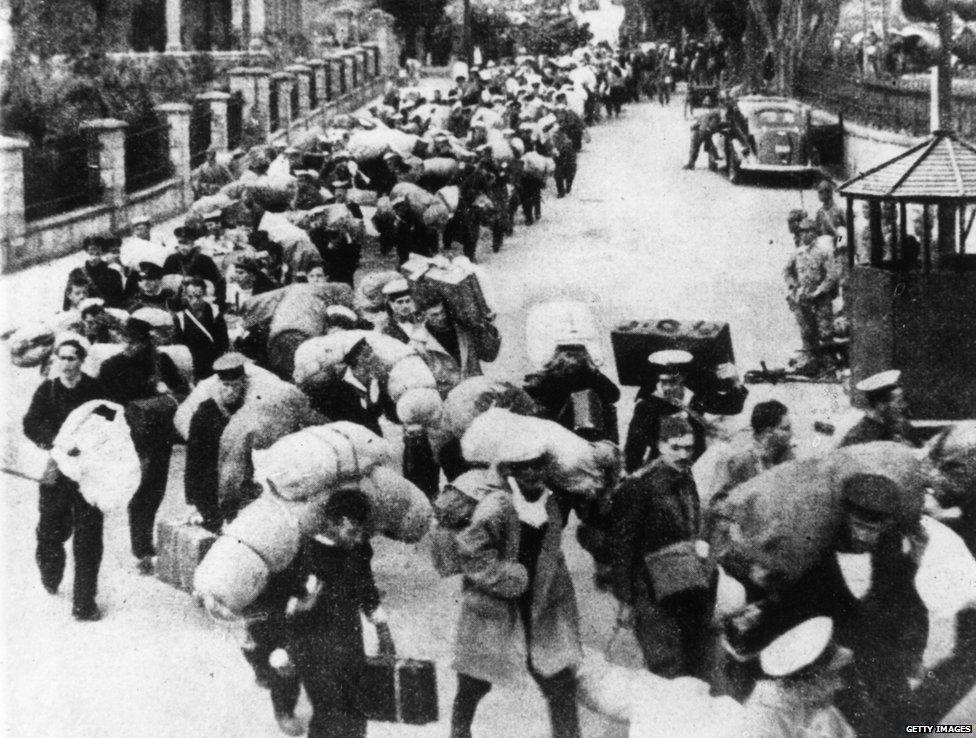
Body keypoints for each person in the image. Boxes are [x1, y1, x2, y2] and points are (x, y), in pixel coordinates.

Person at [743, 474, 929, 735]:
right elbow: (792, 611)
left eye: (872, 529)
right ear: (846, 519)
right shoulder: (815, 559)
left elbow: (906, 601)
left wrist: (913, 652)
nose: (863, 535)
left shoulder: (890, 553)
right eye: (858, 525)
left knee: (914, 725)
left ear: (886, 526)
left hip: (880, 659)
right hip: (835, 671)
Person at [450, 438, 583, 738]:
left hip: (540, 604)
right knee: (474, 682)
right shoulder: (497, 505)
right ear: (511, 470)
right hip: (496, 606)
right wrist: (506, 576)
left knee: (559, 681)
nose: (534, 474)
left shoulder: (552, 502)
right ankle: (458, 733)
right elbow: (470, 551)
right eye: (525, 468)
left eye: (539, 465)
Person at [284, 487, 396, 738]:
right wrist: (301, 608)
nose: (357, 539)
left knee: (356, 712)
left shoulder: (356, 552)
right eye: (351, 531)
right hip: (313, 651)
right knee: (327, 714)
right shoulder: (308, 554)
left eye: (360, 532)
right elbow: (289, 607)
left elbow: (367, 590)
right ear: (332, 523)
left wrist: (384, 631)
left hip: (349, 644)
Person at [611, 416, 712, 679]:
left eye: (688, 448)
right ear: (659, 446)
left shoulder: (685, 475)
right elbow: (623, 546)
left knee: (696, 657)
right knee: (666, 664)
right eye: (675, 448)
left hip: (686, 580)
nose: (683, 455)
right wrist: (626, 599)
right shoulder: (639, 486)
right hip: (650, 589)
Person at [22, 336, 107, 621]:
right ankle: (50, 571)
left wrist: (91, 445)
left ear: (82, 360)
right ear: (54, 360)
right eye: (62, 357)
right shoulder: (47, 391)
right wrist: (54, 441)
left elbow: (112, 424)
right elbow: (31, 423)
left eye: (72, 358)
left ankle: (84, 603)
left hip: (89, 472)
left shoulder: (96, 390)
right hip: (57, 472)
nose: (67, 363)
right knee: (50, 531)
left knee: (89, 539)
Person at [98, 315, 189, 574]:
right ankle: (141, 548)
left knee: (154, 491)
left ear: (146, 341)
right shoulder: (110, 367)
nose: (128, 346)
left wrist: (165, 393)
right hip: (130, 439)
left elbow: (183, 392)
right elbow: (104, 408)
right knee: (140, 492)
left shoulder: (161, 362)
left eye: (135, 341)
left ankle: (144, 546)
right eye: (125, 340)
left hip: (160, 436)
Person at [743, 617, 856, 738]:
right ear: (805, 682)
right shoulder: (764, 721)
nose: (839, 685)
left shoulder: (819, 709)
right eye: (831, 676)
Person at [184, 353, 248, 532]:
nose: (230, 391)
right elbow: (193, 458)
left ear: (243, 384)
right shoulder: (205, 413)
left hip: (239, 485)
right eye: (226, 385)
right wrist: (192, 499)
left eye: (235, 385)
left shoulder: (249, 408)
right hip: (210, 487)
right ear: (218, 385)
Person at [624, 350, 706, 473]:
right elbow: (635, 446)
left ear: (683, 377)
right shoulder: (647, 405)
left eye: (672, 381)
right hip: (661, 468)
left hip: (693, 466)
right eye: (663, 382)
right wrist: (634, 475)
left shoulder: (695, 401)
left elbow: (700, 442)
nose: (667, 387)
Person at [706, 400, 794, 515]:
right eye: (785, 429)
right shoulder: (739, 459)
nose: (792, 434)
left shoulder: (785, 454)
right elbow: (714, 503)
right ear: (768, 432)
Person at [524, 343, 620, 443]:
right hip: (585, 436)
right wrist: (595, 372)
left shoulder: (544, 377)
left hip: (554, 432)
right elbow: (614, 395)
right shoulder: (591, 377)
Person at [784, 217, 838, 373]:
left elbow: (832, 275)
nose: (804, 234)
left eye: (808, 231)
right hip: (804, 298)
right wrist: (793, 285)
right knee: (807, 332)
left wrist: (819, 291)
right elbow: (787, 271)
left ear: (815, 233)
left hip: (820, 298)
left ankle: (830, 367)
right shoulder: (797, 253)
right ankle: (813, 364)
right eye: (802, 231)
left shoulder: (824, 252)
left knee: (825, 332)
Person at [840, 370, 920, 448]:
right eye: (899, 402)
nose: (904, 405)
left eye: (903, 400)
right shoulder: (860, 434)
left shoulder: (901, 423)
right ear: (880, 405)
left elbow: (918, 447)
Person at [173, 277, 229, 381]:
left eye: (198, 296)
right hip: (195, 366)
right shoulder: (180, 318)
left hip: (215, 362)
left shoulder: (215, 313)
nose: (194, 301)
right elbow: (180, 346)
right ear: (185, 296)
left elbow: (223, 342)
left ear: (204, 295)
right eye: (190, 297)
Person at [163, 227, 226, 308]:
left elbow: (218, 283)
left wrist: (216, 303)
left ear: (193, 242)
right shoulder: (171, 260)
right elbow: (165, 284)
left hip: (202, 302)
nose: (183, 247)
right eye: (180, 243)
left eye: (186, 243)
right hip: (178, 303)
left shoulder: (205, 260)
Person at [65, 237, 125, 309]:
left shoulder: (113, 274)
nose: (93, 257)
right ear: (85, 252)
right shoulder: (76, 273)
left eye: (97, 254)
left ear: (103, 254)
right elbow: (68, 301)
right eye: (90, 253)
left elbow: (119, 301)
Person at [683, 103, 726, 170]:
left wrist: (706, 129)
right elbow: (708, 124)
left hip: (702, 131)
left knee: (697, 147)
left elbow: (709, 124)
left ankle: (692, 164)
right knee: (709, 147)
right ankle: (711, 164)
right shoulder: (715, 113)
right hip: (702, 131)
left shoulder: (713, 113)